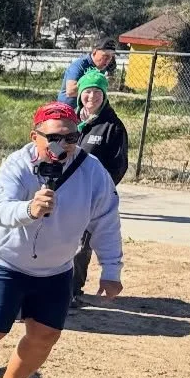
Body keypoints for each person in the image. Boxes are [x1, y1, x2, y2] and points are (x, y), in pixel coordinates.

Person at [0, 103, 123, 378]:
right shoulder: (17, 165)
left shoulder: (92, 172)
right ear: (34, 136)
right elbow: (0, 209)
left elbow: (106, 219)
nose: (61, 147)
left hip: (56, 269)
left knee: (45, 335)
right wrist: (29, 210)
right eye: (52, 138)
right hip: (5, 262)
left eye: (70, 138)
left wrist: (111, 269)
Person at [70, 68, 129, 304]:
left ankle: (72, 290)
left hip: (90, 198)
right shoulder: (70, 121)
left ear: (104, 95)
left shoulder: (112, 127)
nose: (92, 97)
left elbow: (118, 166)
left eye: (97, 92)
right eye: (87, 92)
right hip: (64, 193)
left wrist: (99, 191)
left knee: (81, 245)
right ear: (80, 94)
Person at [57, 37, 118, 107]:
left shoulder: (102, 66)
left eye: (111, 56)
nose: (108, 60)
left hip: (87, 108)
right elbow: (70, 91)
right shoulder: (79, 65)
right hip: (68, 108)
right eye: (105, 56)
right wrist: (94, 84)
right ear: (94, 51)